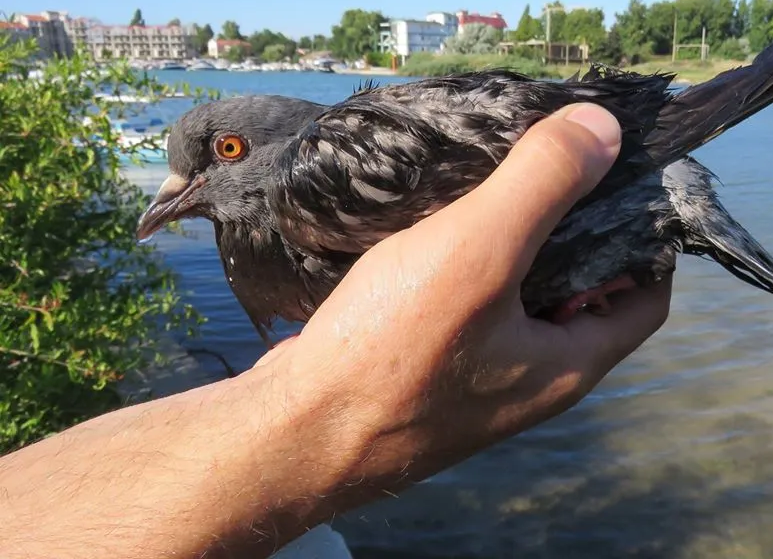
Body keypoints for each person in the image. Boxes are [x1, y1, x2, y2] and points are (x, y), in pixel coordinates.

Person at [0, 103, 673, 559]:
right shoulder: (264, 239)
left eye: (228, 151)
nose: (172, 195)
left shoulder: (353, 170)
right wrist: (319, 418)